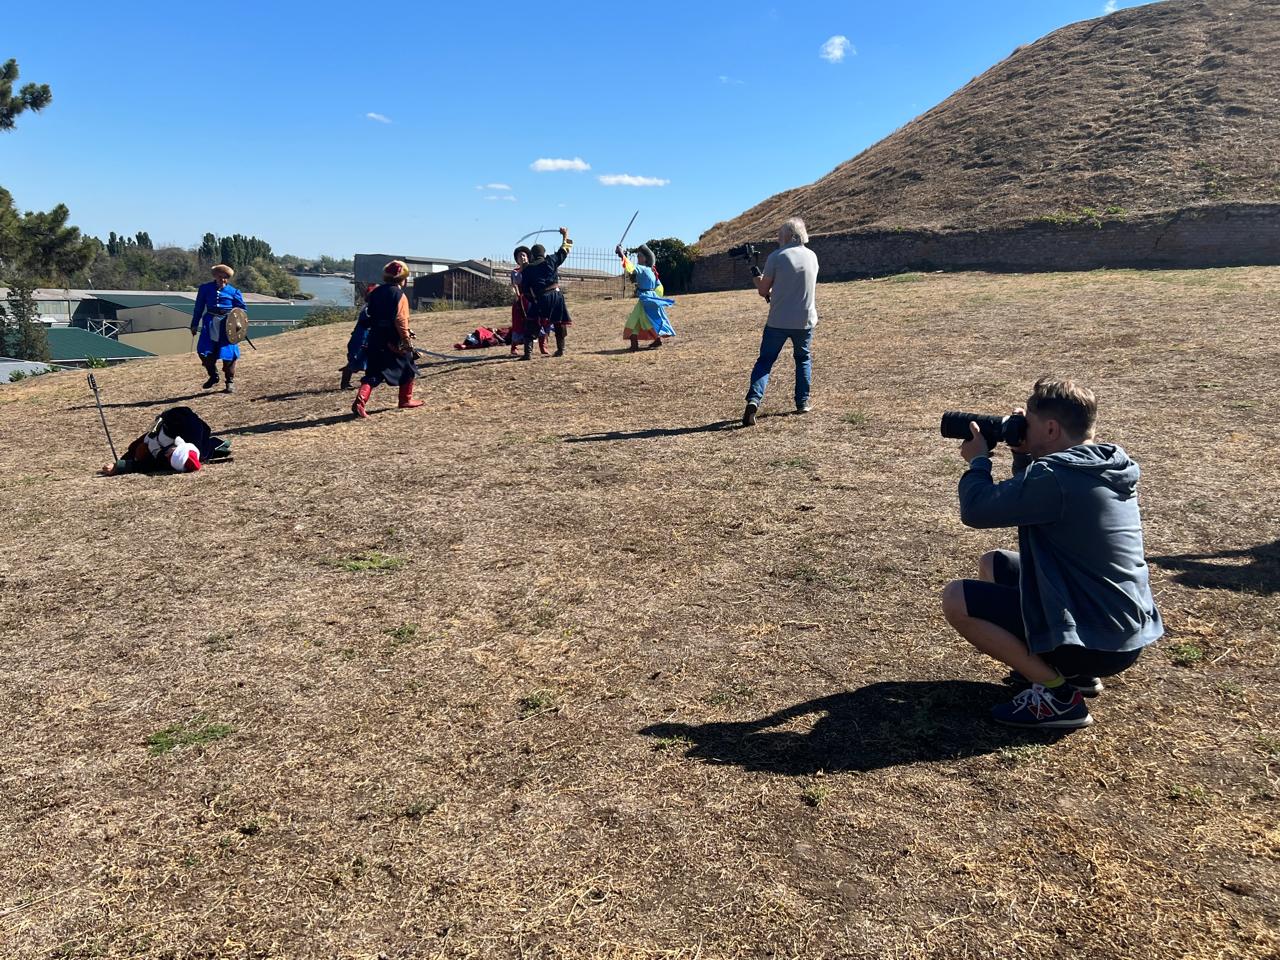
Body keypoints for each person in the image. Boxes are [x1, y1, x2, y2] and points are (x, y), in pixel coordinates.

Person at [940, 378, 1164, 729]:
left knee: (957, 598)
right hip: (1117, 629)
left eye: (1027, 422)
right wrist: (1021, 455)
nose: (1020, 428)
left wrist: (979, 462)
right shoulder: (1101, 464)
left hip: (1096, 640)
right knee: (994, 564)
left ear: (1051, 427)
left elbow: (977, 510)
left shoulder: (1057, 476)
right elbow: (1036, 501)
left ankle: (1058, 694)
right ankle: (1071, 672)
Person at [741, 218, 819, 426]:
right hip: (804, 319)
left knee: (765, 361)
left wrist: (754, 273)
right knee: (802, 359)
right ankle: (802, 402)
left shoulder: (777, 257)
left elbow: (763, 290)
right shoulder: (812, 256)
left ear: (788, 235)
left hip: (778, 320)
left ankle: (754, 399)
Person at [351, 260, 423, 418]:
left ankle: (360, 400)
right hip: (393, 340)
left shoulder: (375, 292)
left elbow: (372, 316)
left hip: (375, 338)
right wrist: (406, 340)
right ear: (402, 279)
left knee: (374, 372)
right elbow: (400, 320)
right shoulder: (399, 295)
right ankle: (405, 400)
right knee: (408, 367)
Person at [99, 406, 231, 475]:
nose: (167, 455)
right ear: (180, 445)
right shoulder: (189, 426)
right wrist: (165, 418)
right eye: (171, 454)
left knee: (141, 452)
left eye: (169, 458)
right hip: (169, 426)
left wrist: (121, 466)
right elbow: (182, 411)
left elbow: (150, 465)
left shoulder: (168, 460)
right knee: (137, 446)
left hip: (160, 440)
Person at [190, 264, 248, 393]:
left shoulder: (234, 292)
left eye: (225, 278)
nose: (223, 280)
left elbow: (242, 310)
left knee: (229, 355)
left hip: (227, 326)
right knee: (204, 351)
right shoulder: (205, 289)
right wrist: (194, 324)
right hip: (210, 323)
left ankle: (229, 381)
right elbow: (198, 307)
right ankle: (213, 376)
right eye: (220, 277)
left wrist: (236, 321)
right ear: (215, 276)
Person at [518, 226, 573, 360]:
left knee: (531, 323)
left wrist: (533, 301)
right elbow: (564, 250)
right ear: (543, 253)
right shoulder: (551, 260)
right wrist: (565, 235)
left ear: (532, 255)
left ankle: (527, 354)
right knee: (559, 323)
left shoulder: (528, 269)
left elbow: (525, 290)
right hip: (557, 296)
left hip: (541, 298)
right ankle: (560, 350)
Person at [616, 243, 675, 351]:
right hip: (650, 299)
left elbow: (631, 268)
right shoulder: (652, 271)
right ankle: (657, 340)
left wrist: (621, 254)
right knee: (646, 320)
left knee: (634, 320)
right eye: (638, 255)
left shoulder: (642, 269)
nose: (638, 257)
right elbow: (659, 286)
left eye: (640, 256)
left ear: (646, 259)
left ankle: (635, 344)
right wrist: (655, 298)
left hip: (646, 300)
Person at [508, 246, 547, 357]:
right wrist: (516, 295)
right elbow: (513, 285)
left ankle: (543, 346)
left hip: (532, 300)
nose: (523, 257)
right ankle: (514, 347)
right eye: (520, 256)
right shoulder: (515, 272)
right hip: (520, 301)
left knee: (539, 322)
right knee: (518, 324)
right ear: (517, 259)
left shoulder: (533, 269)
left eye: (524, 255)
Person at [339, 284, 377, 390]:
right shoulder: (368, 309)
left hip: (366, 338)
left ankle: (373, 379)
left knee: (369, 360)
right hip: (360, 339)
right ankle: (345, 383)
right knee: (355, 361)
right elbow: (367, 323)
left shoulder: (370, 307)